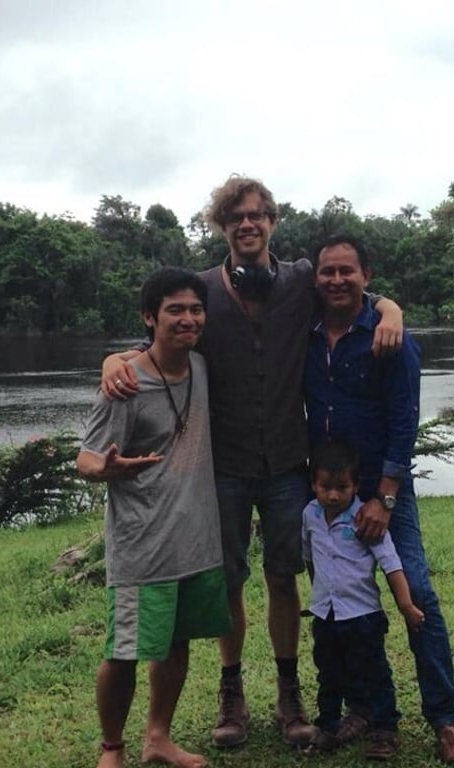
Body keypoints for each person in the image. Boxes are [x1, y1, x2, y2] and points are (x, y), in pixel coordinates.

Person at [98, 176, 404, 749]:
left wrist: (391, 309)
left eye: (259, 214)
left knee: (284, 576)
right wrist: (115, 357)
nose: (248, 224)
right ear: (222, 225)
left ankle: (290, 694)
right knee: (230, 581)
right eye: (237, 216)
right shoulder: (204, 291)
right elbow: (163, 335)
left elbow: (354, 292)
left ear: (272, 222)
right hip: (225, 465)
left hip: (290, 462)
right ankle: (232, 693)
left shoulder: (297, 281)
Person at [304, 234, 454, 764]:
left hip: (382, 490)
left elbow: (405, 419)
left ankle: (446, 718)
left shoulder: (388, 335)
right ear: (316, 278)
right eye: (327, 271)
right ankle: (361, 707)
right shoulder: (305, 333)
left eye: (347, 271)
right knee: (340, 607)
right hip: (328, 498)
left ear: (367, 275)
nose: (337, 280)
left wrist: (383, 497)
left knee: (416, 591)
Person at [76, 267, 230, 768]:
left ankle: (158, 738)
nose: (188, 319)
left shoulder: (202, 368)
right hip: (142, 543)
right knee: (124, 651)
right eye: (174, 310)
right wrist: (108, 468)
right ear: (150, 317)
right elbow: (86, 459)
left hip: (195, 539)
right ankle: (112, 748)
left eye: (195, 309)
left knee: (177, 644)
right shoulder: (125, 383)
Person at [302, 438, 424, 761]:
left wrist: (406, 605)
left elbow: (391, 563)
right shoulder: (310, 515)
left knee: (374, 673)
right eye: (325, 486)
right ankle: (327, 728)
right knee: (329, 673)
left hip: (363, 616)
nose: (332, 494)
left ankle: (385, 728)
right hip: (326, 616)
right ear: (313, 483)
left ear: (355, 486)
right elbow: (310, 558)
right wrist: (317, 598)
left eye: (342, 487)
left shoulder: (364, 519)